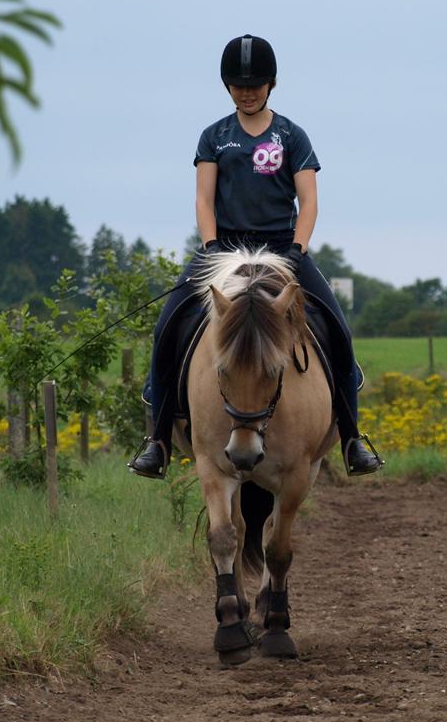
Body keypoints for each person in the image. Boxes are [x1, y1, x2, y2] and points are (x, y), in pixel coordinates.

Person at [129, 34, 382, 480]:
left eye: (256, 84)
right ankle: (158, 441)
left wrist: (298, 250)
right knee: (167, 324)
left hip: (283, 248)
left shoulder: (291, 136)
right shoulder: (214, 137)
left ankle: (352, 438)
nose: (247, 92)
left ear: (272, 84)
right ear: (227, 86)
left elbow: (310, 201)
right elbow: (204, 200)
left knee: (338, 330)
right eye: (238, 85)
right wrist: (209, 247)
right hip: (222, 247)